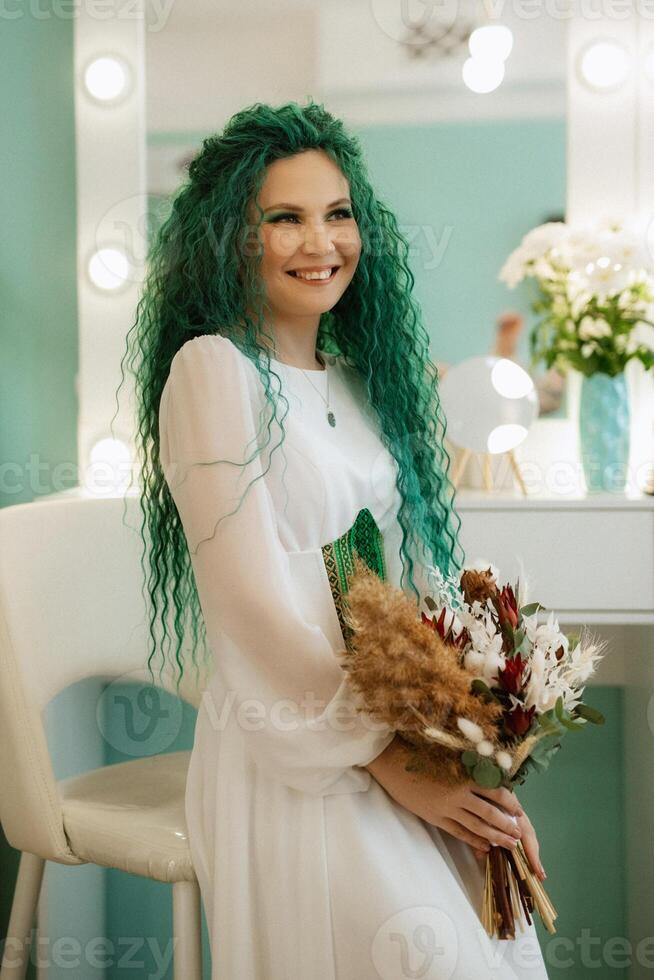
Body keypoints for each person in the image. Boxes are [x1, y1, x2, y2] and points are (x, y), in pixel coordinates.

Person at [125, 100, 550, 979]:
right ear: (231, 239)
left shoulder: (359, 383)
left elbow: (411, 591)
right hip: (290, 744)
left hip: (385, 727)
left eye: (338, 213)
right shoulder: (213, 371)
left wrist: (468, 757)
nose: (321, 242)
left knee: (499, 943)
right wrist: (394, 765)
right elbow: (248, 611)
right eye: (284, 218)